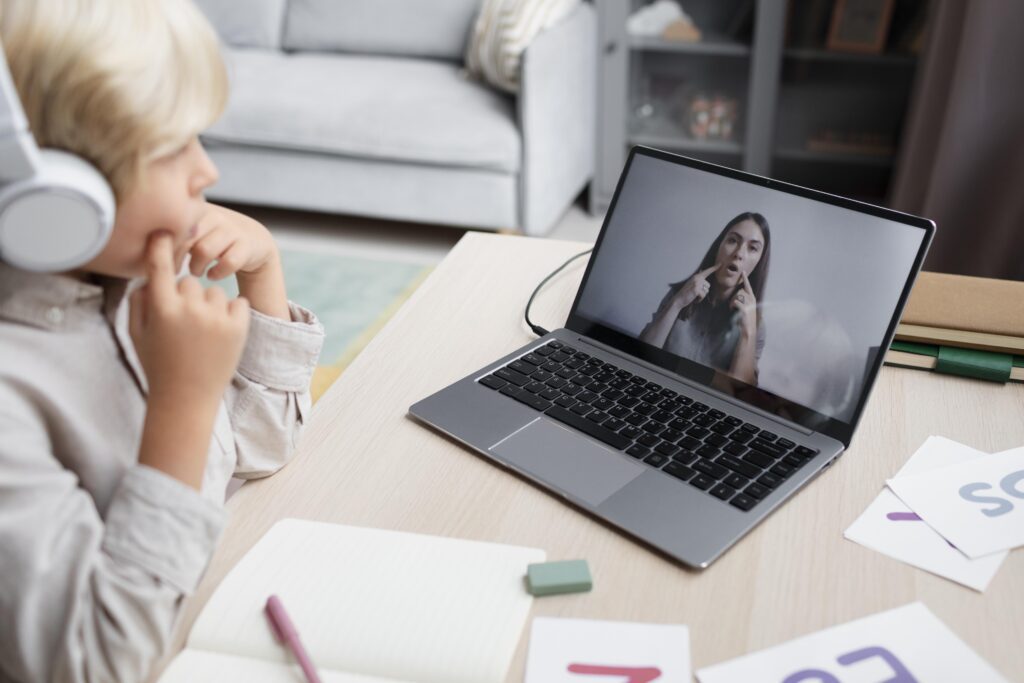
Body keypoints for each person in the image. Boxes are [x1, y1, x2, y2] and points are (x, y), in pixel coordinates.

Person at [0, 1, 324, 681]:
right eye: (171, 147)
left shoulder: (131, 277)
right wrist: (182, 399)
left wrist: (262, 273)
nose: (206, 171)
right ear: (53, 189)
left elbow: (258, 449)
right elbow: (96, 662)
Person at [639, 212, 771, 385]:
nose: (739, 253)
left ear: (759, 263)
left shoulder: (756, 326)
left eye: (752, 248)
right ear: (718, 247)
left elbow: (740, 394)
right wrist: (677, 303)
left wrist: (748, 332)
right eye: (732, 241)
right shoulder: (678, 296)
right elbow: (641, 356)